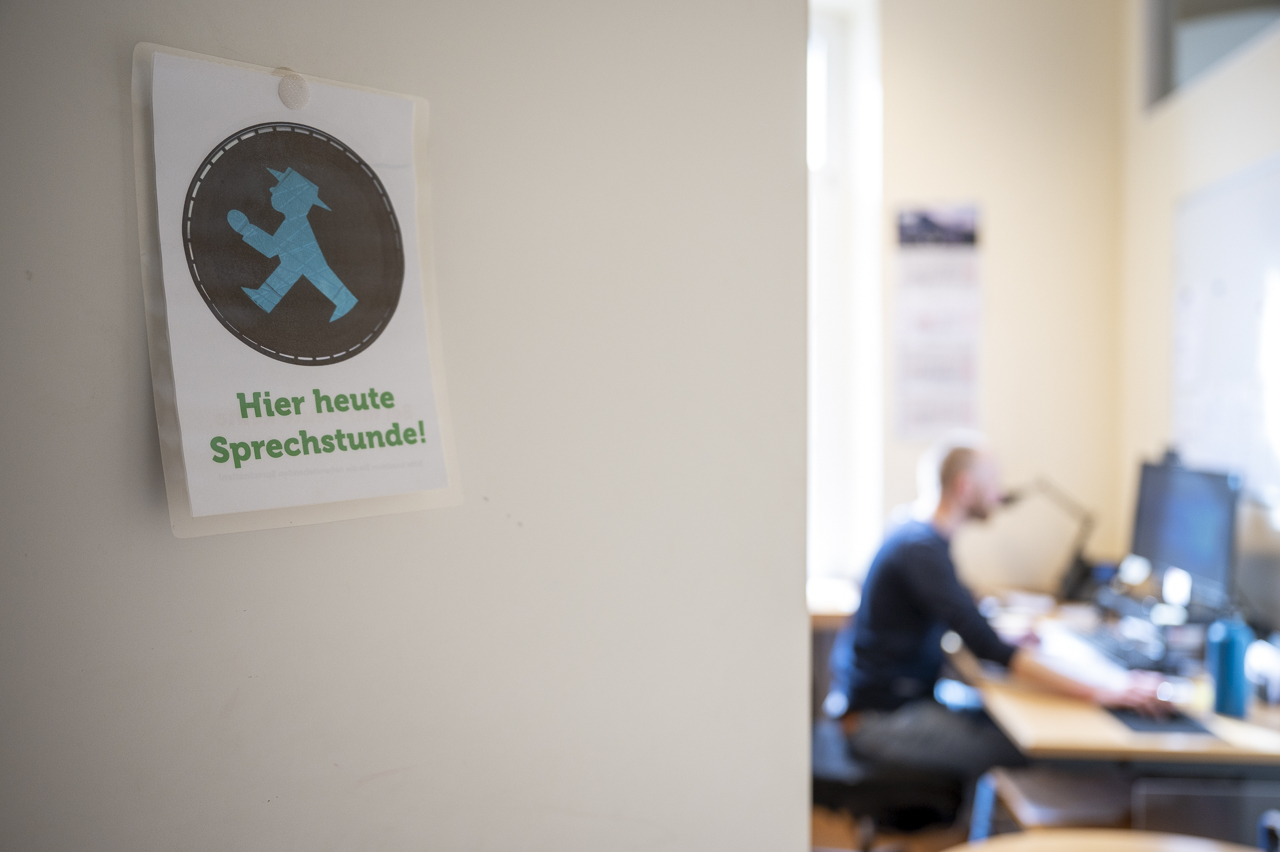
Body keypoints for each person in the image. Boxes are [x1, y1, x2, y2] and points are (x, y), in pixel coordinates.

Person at [826, 442, 1165, 777]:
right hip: (882, 720)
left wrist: (998, 633)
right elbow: (988, 648)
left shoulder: (915, 532)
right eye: (992, 482)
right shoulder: (920, 549)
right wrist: (1105, 690)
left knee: (1004, 723)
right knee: (1029, 747)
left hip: (889, 703)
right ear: (965, 486)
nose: (999, 493)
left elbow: (963, 614)